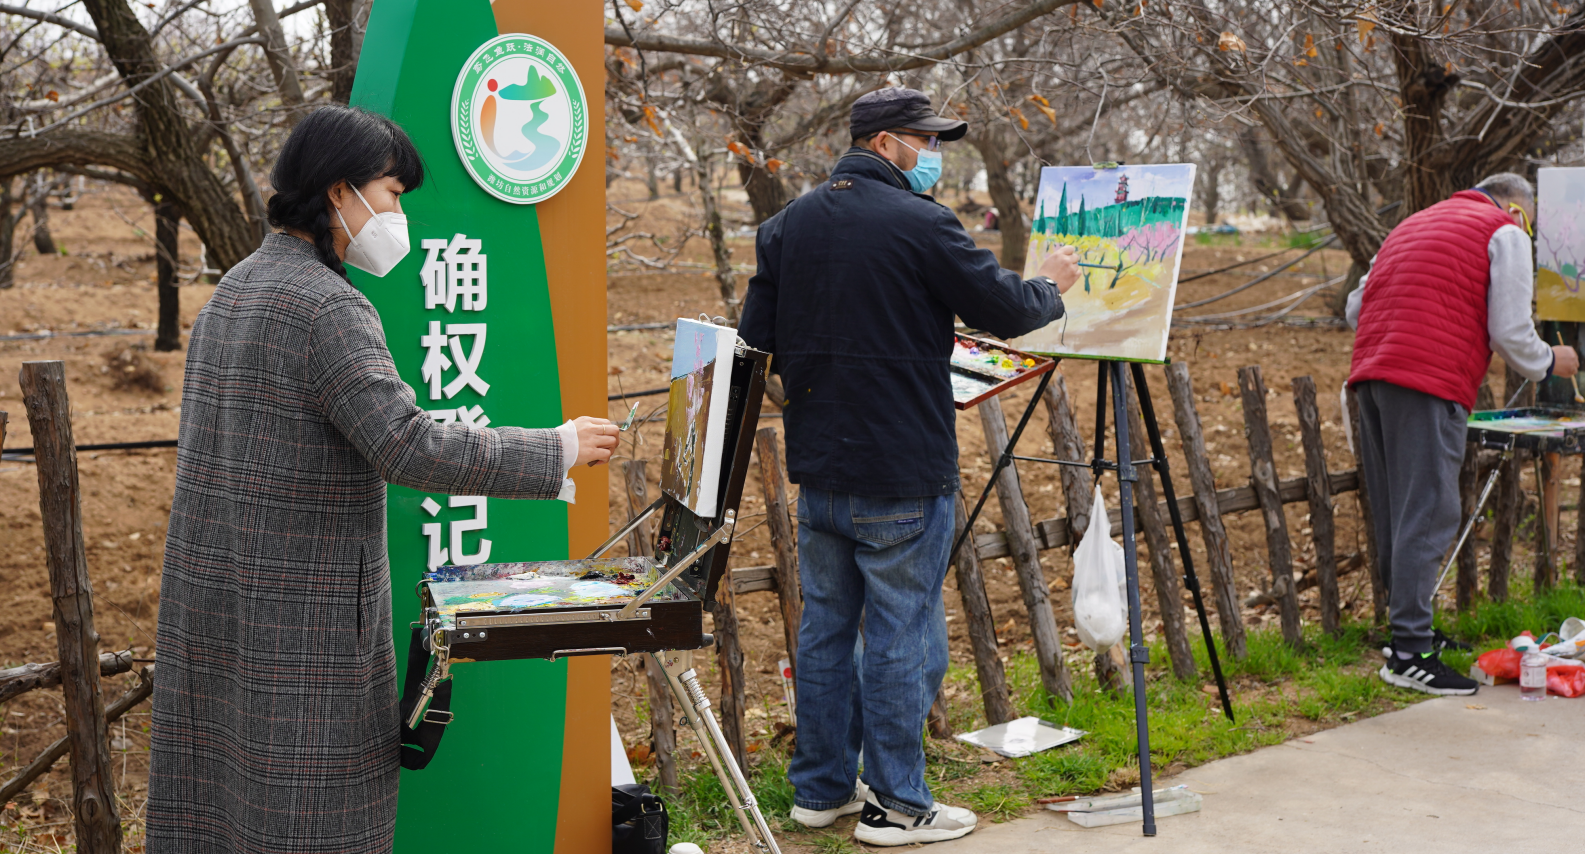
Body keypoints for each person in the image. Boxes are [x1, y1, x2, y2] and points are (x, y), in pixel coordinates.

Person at [145, 106, 619, 853]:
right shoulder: (328, 308)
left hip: (223, 609)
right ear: (340, 193)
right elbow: (407, 444)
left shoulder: (235, 288)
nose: (400, 215)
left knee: (227, 812)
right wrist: (555, 449)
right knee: (313, 822)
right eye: (393, 194)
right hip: (303, 627)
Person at [739, 87, 1080, 847]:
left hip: (820, 471)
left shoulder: (785, 225)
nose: (935, 156)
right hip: (899, 468)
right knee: (900, 635)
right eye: (928, 143)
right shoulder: (921, 222)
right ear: (888, 141)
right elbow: (1009, 310)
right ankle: (897, 806)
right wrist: (1051, 279)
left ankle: (821, 792)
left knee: (826, 630)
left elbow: (755, 336)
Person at [1347, 172, 1579, 697]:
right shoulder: (1505, 231)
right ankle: (1409, 655)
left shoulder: (1410, 225)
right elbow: (1510, 332)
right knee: (1429, 510)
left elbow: (1355, 308)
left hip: (1372, 375)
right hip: (1429, 379)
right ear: (1519, 209)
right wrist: (1550, 361)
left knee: (1398, 511)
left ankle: (1409, 634)